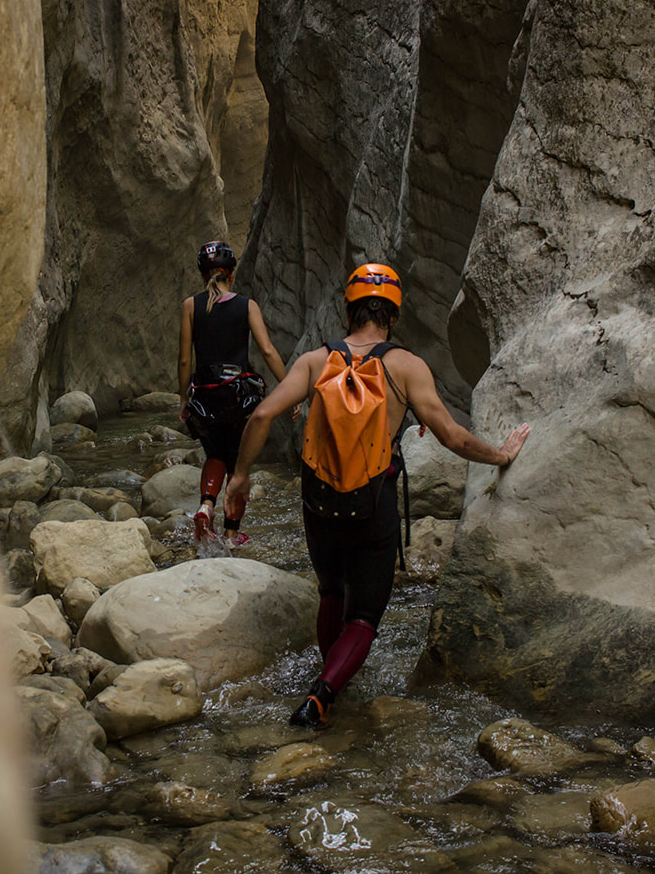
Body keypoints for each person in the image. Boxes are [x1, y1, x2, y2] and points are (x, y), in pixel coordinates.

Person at [224, 263, 530, 727]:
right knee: (364, 614)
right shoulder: (405, 366)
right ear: (393, 314)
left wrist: (240, 478)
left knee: (331, 591)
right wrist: (500, 457)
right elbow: (451, 436)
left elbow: (263, 415)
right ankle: (321, 696)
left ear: (349, 311)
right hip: (373, 500)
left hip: (317, 499)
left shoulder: (313, 361)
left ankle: (331, 680)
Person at [177, 240, 288, 550]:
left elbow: (185, 359)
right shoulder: (246, 305)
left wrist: (184, 399)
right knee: (239, 463)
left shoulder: (190, 306)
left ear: (203, 275)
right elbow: (267, 350)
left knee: (214, 454)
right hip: (238, 398)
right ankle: (231, 535)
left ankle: (206, 507)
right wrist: (290, 387)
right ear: (233, 273)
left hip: (205, 398)